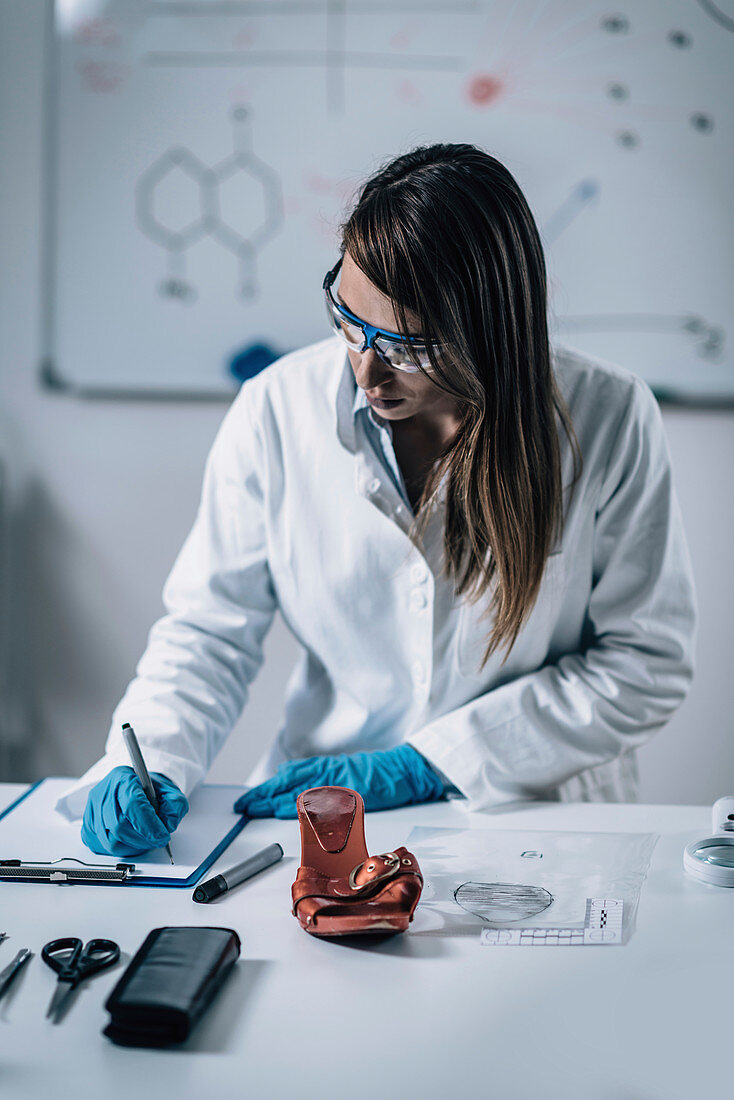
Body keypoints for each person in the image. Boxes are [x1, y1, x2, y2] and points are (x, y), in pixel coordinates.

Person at [56, 143, 697, 857]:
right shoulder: (275, 410)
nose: (365, 367)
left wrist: (428, 763)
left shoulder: (608, 415)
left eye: (406, 346)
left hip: (529, 814)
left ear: (489, 334)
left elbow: (646, 661)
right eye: (349, 320)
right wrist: (148, 763)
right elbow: (209, 630)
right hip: (326, 813)